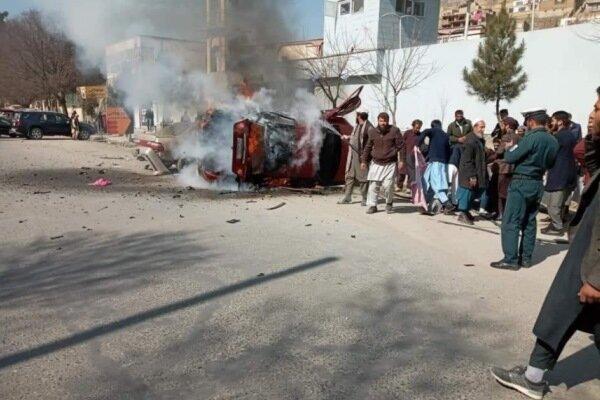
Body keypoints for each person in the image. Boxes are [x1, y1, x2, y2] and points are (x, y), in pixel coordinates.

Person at [490, 139, 600, 400]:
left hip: (592, 260)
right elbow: (584, 153)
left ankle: (532, 378)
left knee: (558, 312)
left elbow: (511, 156)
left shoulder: (531, 140)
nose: (592, 118)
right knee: (562, 314)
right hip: (587, 250)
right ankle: (533, 375)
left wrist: (596, 278)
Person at [491, 109, 559, 270]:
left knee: (511, 220)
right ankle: (526, 258)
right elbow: (551, 163)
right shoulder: (553, 140)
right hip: (537, 182)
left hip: (522, 182)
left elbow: (510, 157)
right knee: (529, 221)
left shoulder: (530, 138)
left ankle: (510, 259)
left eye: (527, 121)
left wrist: (509, 148)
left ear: (532, 122)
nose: (525, 124)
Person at [540, 111, 579, 235]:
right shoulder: (570, 135)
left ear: (560, 122)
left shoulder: (559, 137)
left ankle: (558, 227)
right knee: (560, 204)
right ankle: (555, 224)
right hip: (567, 174)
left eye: (553, 121)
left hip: (559, 175)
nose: (551, 123)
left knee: (553, 206)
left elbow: (549, 154)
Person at [361, 112, 404, 214]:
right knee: (373, 186)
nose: (383, 123)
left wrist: (402, 160)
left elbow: (401, 146)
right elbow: (368, 147)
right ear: (378, 121)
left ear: (388, 121)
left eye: (385, 121)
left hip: (390, 163)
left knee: (388, 185)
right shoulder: (372, 131)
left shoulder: (394, 131)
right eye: (381, 121)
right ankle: (373, 206)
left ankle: (389, 203)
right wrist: (363, 161)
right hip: (376, 163)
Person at [456, 120, 488, 225]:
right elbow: (467, 160)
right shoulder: (470, 140)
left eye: (484, 127)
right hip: (468, 173)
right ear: (474, 127)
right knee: (466, 192)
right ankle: (462, 213)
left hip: (476, 171)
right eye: (481, 127)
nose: (483, 129)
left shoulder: (478, 140)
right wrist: (472, 175)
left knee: (473, 193)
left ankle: (466, 211)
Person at [339, 112, 373, 206]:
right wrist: (347, 137)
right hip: (352, 156)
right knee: (349, 176)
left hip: (361, 157)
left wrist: (365, 157)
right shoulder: (357, 126)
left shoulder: (369, 127)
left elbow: (370, 143)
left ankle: (365, 198)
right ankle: (347, 197)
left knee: (363, 177)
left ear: (359, 116)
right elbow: (355, 138)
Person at [419, 120, 451, 214]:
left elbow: (425, 131)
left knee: (435, 183)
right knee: (426, 181)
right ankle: (425, 202)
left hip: (435, 161)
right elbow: (448, 150)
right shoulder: (446, 135)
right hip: (440, 162)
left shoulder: (435, 131)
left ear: (433, 126)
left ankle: (447, 203)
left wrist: (417, 144)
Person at [495, 117, 521, 218]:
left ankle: (501, 214)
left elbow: (499, 152)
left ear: (508, 126)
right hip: (515, 168)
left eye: (503, 125)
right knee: (511, 192)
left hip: (504, 168)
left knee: (501, 192)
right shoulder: (519, 138)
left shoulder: (506, 137)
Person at [400, 119, 423, 191]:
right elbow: (402, 143)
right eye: (416, 128)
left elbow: (421, 145)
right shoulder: (407, 133)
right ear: (413, 126)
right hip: (405, 153)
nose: (417, 129)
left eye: (419, 128)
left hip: (414, 156)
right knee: (402, 170)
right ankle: (399, 186)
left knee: (412, 172)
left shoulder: (420, 135)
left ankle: (409, 187)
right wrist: (401, 155)